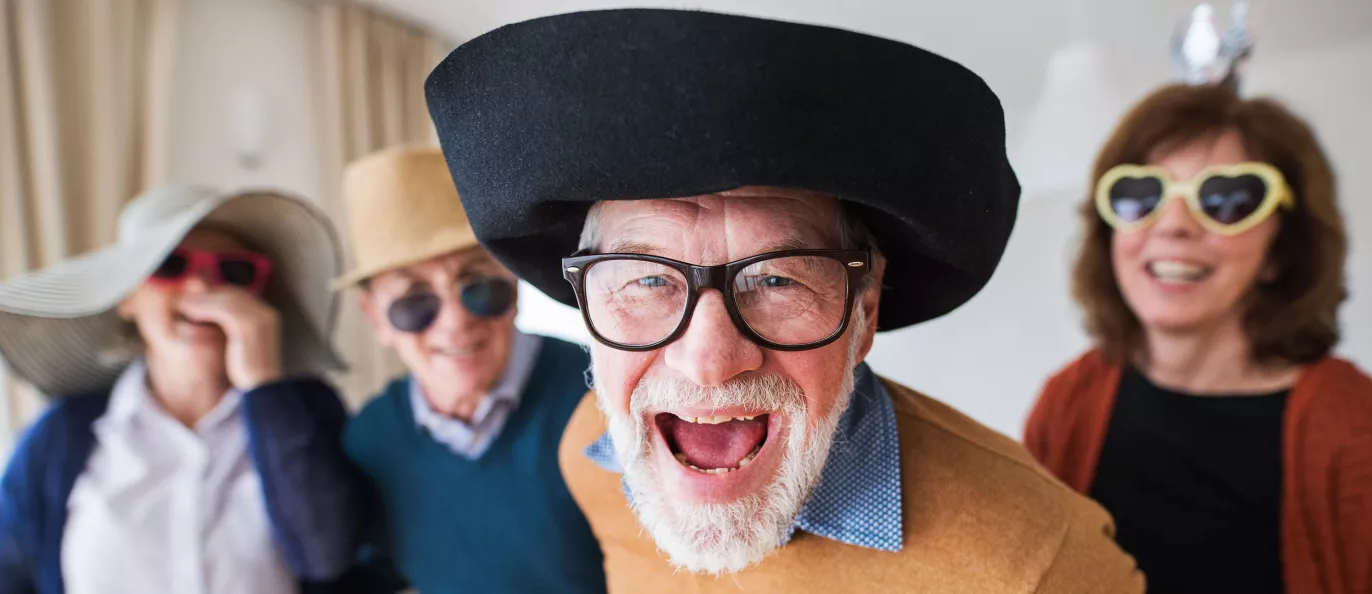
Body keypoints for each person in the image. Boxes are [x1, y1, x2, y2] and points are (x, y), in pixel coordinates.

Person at [424, 9, 1145, 593]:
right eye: (645, 277)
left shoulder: (1043, 566)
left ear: (863, 313)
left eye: (775, 279)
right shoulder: (596, 455)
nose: (708, 363)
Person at [1025, 84, 1372, 594]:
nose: (1174, 226)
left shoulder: (1354, 426)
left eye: (1226, 200)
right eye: (1141, 195)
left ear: (1281, 251)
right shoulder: (1069, 400)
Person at [0, 186, 364, 593]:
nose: (202, 287)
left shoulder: (308, 412)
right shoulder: (63, 434)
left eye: (234, 271)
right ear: (127, 297)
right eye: (170, 264)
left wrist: (264, 384)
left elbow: (326, 555)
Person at [334, 146, 605, 594]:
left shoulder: (601, 396)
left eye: (478, 286)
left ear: (515, 285)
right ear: (375, 318)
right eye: (414, 300)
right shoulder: (371, 440)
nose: (456, 321)